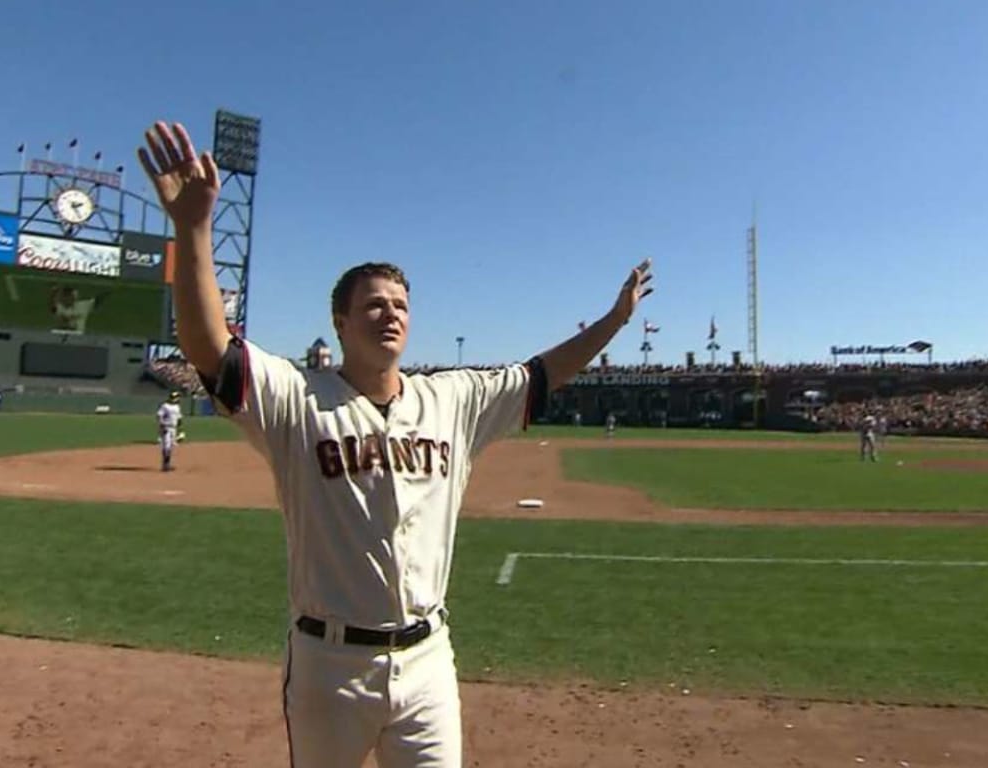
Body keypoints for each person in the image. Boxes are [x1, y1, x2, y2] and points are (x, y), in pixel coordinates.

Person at [137, 120, 654, 768]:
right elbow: (208, 346)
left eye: (401, 305)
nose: (391, 313)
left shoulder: (454, 399)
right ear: (341, 321)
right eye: (374, 304)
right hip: (329, 666)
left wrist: (613, 321)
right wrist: (194, 230)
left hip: (428, 660)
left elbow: (542, 373)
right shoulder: (296, 397)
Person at [156, 391, 184, 472]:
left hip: (174, 429)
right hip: (166, 428)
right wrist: (161, 425)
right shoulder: (165, 406)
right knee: (166, 446)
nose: (178, 398)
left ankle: (167, 464)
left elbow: (179, 419)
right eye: (176, 397)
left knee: (171, 446)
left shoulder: (177, 407)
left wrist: (181, 430)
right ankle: (165, 465)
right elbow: (159, 415)